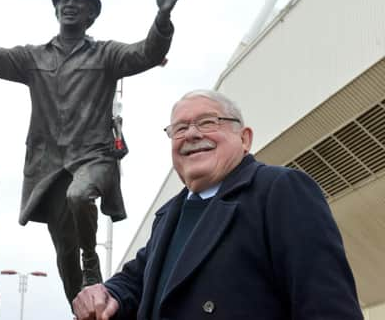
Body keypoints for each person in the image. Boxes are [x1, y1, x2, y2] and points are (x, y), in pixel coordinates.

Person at [0, 0, 181, 305]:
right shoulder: (33, 57)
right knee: (66, 257)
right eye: (64, 1)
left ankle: (91, 261)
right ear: (56, 10)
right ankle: (81, 308)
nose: (70, 5)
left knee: (80, 196)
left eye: (79, 2)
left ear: (91, 15)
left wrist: (162, 19)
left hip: (93, 157)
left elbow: (146, 53)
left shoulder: (105, 55)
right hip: (49, 166)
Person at [72, 89, 363, 320]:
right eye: (180, 128)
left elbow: (328, 307)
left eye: (208, 122)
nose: (192, 134)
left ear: (245, 139)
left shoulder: (280, 190)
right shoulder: (169, 215)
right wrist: (105, 294)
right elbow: (135, 282)